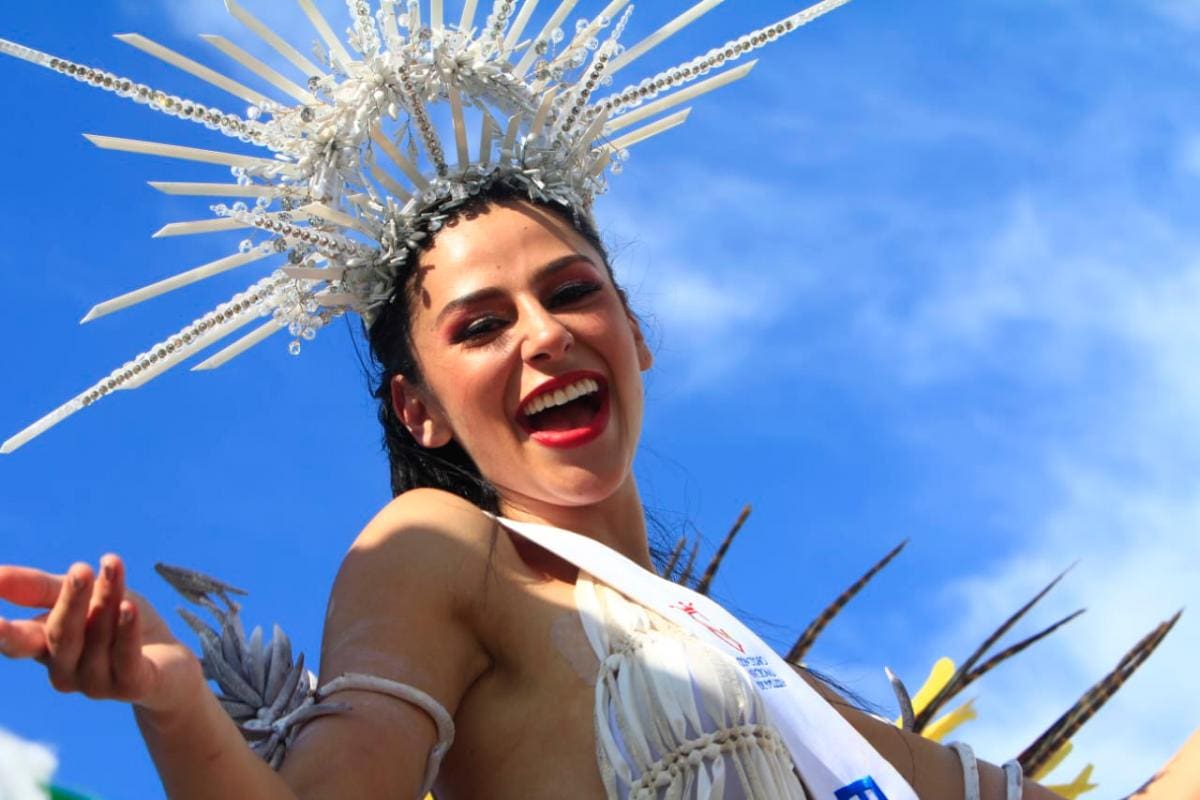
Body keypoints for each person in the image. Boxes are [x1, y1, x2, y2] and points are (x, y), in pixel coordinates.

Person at [0, 2, 1194, 799]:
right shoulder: (441, 550)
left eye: (572, 292)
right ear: (419, 411)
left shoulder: (772, 685)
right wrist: (173, 703)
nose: (544, 333)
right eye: (480, 324)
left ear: (635, 335)